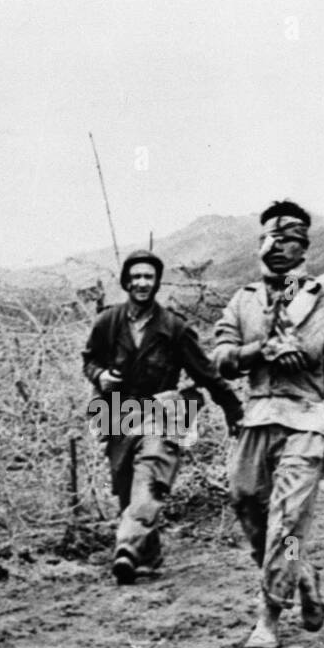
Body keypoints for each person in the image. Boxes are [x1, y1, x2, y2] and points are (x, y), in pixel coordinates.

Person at [213, 200, 324, 648]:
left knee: (287, 520)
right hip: (257, 418)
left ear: (304, 247)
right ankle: (301, 571)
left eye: (288, 239)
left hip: (306, 420)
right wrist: (258, 351)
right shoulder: (244, 299)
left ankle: (268, 614)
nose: (277, 246)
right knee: (247, 502)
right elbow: (221, 359)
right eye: (269, 237)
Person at [82, 249, 243, 584]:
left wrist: (233, 408)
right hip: (118, 412)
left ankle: (125, 549)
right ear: (126, 281)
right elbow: (90, 360)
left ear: (156, 282)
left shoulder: (174, 327)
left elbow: (207, 372)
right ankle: (148, 555)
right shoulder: (107, 322)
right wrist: (100, 377)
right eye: (136, 277)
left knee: (150, 475)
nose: (142, 283)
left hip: (162, 410)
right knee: (126, 486)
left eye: (149, 277)